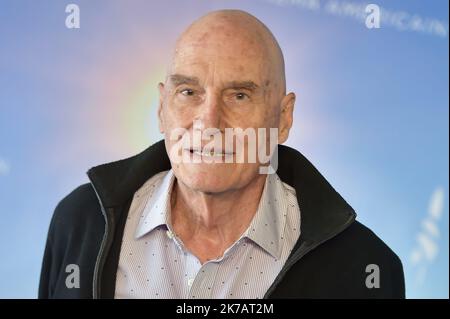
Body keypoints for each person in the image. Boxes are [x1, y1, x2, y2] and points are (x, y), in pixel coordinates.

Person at [39, 9, 405, 299]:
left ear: (283, 117)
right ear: (162, 108)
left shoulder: (366, 267)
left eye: (240, 95)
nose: (209, 122)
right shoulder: (80, 223)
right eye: (188, 92)